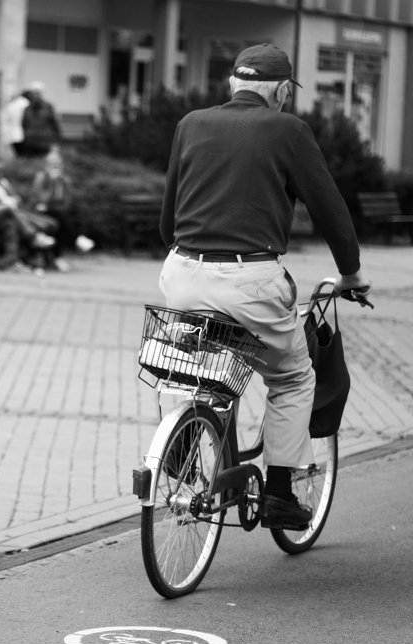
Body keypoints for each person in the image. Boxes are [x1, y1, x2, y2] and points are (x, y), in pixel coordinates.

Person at [158, 44, 372, 529]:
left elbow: (167, 223)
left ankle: (183, 439)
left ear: (234, 84)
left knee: (188, 363)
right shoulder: (288, 130)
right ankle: (279, 492)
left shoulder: (190, 124)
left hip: (183, 273)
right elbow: (330, 210)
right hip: (251, 281)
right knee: (294, 376)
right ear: (280, 90)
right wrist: (352, 272)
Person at [31, 149, 95, 272]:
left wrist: (62, 184)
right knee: (58, 217)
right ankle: (75, 242)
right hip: (39, 212)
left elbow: (67, 202)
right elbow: (41, 200)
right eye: (52, 164)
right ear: (46, 165)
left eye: (58, 164)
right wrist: (52, 183)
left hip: (58, 212)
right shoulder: (41, 177)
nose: (56, 167)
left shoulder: (64, 180)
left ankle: (59, 256)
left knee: (61, 217)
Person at [21, 81, 61, 158]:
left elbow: (54, 123)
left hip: (44, 141)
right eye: (34, 93)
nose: (36, 96)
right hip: (31, 141)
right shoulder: (27, 108)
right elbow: (24, 124)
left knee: (42, 163)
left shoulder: (48, 107)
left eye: (38, 93)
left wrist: (57, 139)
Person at [1, 89, 31, 157]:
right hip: (25, 135)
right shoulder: (28, 104)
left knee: (18, 155)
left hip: (13, 135)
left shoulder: (11, 105)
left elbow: (4, 120)